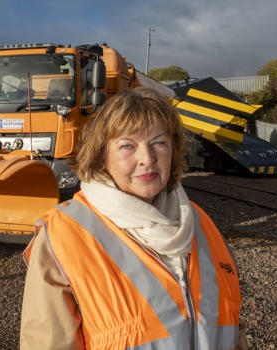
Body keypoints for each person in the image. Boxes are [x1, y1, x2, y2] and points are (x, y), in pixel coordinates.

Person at [20, 87, 244, 349]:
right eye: (128, 145)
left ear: (173, 150)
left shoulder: (200, 222)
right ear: (101, 155)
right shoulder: (63, 234)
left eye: (158, 143)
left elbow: (232, 328)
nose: (147, 159)